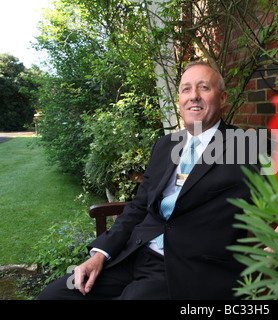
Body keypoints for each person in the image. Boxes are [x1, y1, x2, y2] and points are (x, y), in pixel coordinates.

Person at [38, 61, 264, 300]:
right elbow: (138, 205)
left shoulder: (245, 145)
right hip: (135, 252)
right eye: (186, 89)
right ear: (179, 100)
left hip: (188, 269)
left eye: (204, 88)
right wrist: (99, 255)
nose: (193, 96)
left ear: (223, 98)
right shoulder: (167, 145)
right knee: (53, 296)